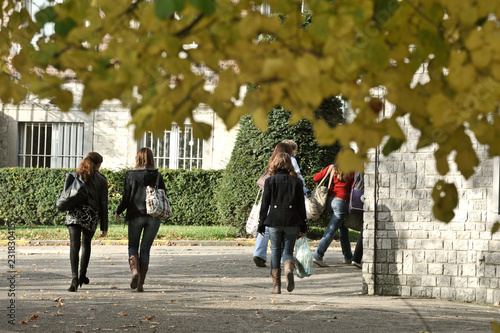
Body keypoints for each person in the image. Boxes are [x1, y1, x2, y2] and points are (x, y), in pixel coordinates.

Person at [115, 147, 166, 292]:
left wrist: (119, 211)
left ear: (138, 158)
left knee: (133, 246)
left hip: (135, 214)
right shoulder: (157, 175)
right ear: (151, 158)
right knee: (145, 249)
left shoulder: (130, 175)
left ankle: (135, 271)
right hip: (154, 215)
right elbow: (163, 195)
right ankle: (140, 284)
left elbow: (126, 197)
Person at [258, 152, 307, 294]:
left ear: (275, 164)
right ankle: (288, 268)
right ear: (290, 164)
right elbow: (301, 206)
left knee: (275, 252)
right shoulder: (297, 182)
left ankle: (276, 286)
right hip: (292, 220)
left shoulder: (270, 181)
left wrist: (261, 223)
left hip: (274, 220)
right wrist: (304, 224)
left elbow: (264, 204)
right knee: (287, 251)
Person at [65, 152, 108, 292]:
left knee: (74, 245)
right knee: (86, 243)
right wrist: (104, 226)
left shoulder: (74, 175)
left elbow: (66, 195)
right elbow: (103, 204)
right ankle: (82, 274)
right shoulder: (101, 180)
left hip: (74, 214)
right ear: (97, 165)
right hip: (90, 215)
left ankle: (74, 280)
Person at [253, 142, 293, 267]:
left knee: (266, 227)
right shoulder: (289, 162)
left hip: (268, 198)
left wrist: (261, 221)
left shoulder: (272, 161)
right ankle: (284, 259)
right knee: (283, 230)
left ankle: (259, 253)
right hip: (284, 201)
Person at [312, 154, 355, 267]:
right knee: (331, 229)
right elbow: (353, 188)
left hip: (329, 201)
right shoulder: (353, 170)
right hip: (341, 202)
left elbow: (315, 178)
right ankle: (318, 255)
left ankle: (348, 256)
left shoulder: (332, 168)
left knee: (343, 227)